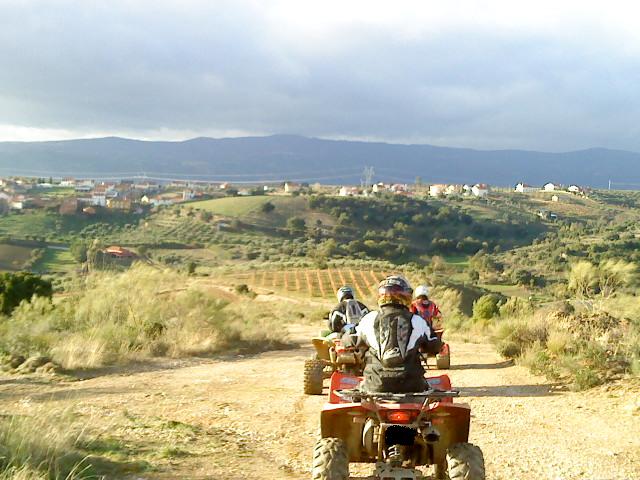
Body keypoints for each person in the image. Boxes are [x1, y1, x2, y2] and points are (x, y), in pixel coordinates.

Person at [343, 276, 442, 393]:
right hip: (412, 386)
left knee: (355, 396)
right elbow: (435, 346)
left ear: (381, 297)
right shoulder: (418, 320)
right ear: (407, 297)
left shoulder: (369, 319)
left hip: (375, 385)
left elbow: (347, 341)